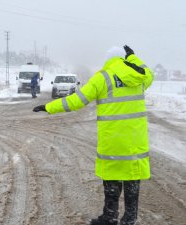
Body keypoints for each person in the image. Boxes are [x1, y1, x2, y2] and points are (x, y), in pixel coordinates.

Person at [33, 45, 154, 225]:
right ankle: (129, 219)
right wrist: (134, 58)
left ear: (107, 60)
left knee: (112, 180)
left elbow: (76, 101)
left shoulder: (102, 78)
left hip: (113, 142)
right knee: (132, 181)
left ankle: (110, 217)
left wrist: (49, 107)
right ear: (125, 59)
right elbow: (148, 73)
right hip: (136, 141)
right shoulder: (140, 78)